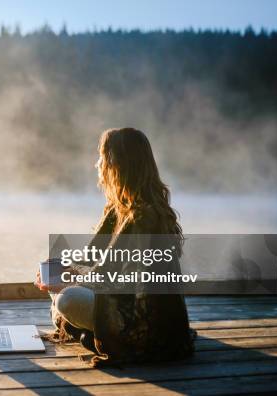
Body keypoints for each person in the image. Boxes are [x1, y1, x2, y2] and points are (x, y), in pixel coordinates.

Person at [35, 127, 195, 365]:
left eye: (101, 157)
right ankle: (84, 328)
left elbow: (124, 284)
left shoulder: (144, 218)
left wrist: (69, 281)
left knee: (67, 300)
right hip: (115, 296)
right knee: (58, 282)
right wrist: (60, 268)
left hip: (142, 321)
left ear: (117, 164)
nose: (97, 164)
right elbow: (91, 258)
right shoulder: (117, 209)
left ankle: (86, 330)